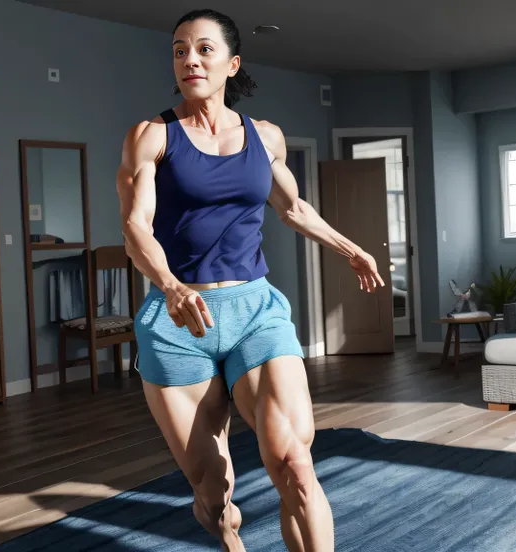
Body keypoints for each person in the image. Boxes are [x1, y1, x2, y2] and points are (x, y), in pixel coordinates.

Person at [116, 9, 384, 552]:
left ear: (232, 63)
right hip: (177, 321)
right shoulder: (152, 136)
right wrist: (170, 285)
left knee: (293, 463)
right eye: (179, 49)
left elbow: (294, 208)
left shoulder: (266, 138)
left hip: (254, 311)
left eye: (204, 49)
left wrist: (351, 249)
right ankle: (225, 532)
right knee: (215, 499)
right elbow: (134, 228)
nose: (190, 58)